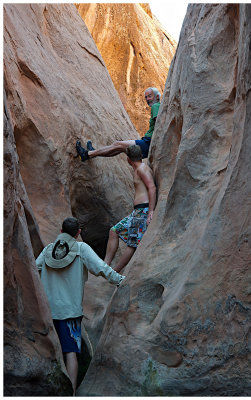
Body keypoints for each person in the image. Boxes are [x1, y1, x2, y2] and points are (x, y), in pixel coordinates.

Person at [35, 217, 125, 395]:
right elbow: (101, 268)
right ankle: (72, 393)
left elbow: (33, 268)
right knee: (70, 353)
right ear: (78, 233)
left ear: (61, 231)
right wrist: (121, 280)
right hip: (71, 314)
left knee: (52, 351)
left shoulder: (47, 250)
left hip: (48, 312)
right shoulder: (81, 248)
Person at [104, 144, 156, 273]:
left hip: (143, 211)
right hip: (137, 212)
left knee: (132, 244)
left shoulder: (142, 169)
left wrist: (151, 211)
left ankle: (114, 271)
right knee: (114, 230)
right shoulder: (139, 168)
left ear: (128, 159)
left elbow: (152, 187)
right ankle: (105, 265)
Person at [76, 87, 161, 161]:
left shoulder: (156, 106)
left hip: (147, 143)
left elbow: (159, 124)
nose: (147, 99)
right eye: (146, 97)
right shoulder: (159, 106)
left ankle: (88, 154)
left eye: (150, 96)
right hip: (148, 143)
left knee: (117, 144)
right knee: (118, 148)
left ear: (157, 97)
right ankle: (92, 153)